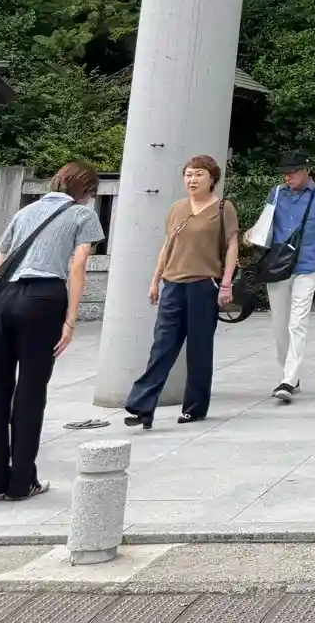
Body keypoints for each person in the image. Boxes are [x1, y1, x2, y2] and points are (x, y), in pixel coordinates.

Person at [0, 162, 105, 503]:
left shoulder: (25, 212)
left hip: (4, 299)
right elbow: (77, 266)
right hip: (43, 299)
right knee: (31, 391)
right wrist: (71, 319)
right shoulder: (82, 215)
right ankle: (21, 482)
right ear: (86, 190)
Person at [121, 155, 239, 428]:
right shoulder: (177, 208)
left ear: (212, 179)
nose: (192, 179)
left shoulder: (224, 208)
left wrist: (226, 283)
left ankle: (195, 408)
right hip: (173, 285)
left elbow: (232, 245)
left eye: (198, 174)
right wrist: (155, 280)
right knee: (162, 346)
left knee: (199, 349)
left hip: (203, 286)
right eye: (188, 174)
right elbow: (167, 246)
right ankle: (142, 407)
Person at [257, 150, 315, 404]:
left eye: (292, 172)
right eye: (285, 172)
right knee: (279, 326)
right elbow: (265, 225)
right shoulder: (277, 193)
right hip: (278, 268)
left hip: (307, 267)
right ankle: (289, 373)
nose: (287, 176)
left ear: (306, 171)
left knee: (297, 323)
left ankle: (288, 380)